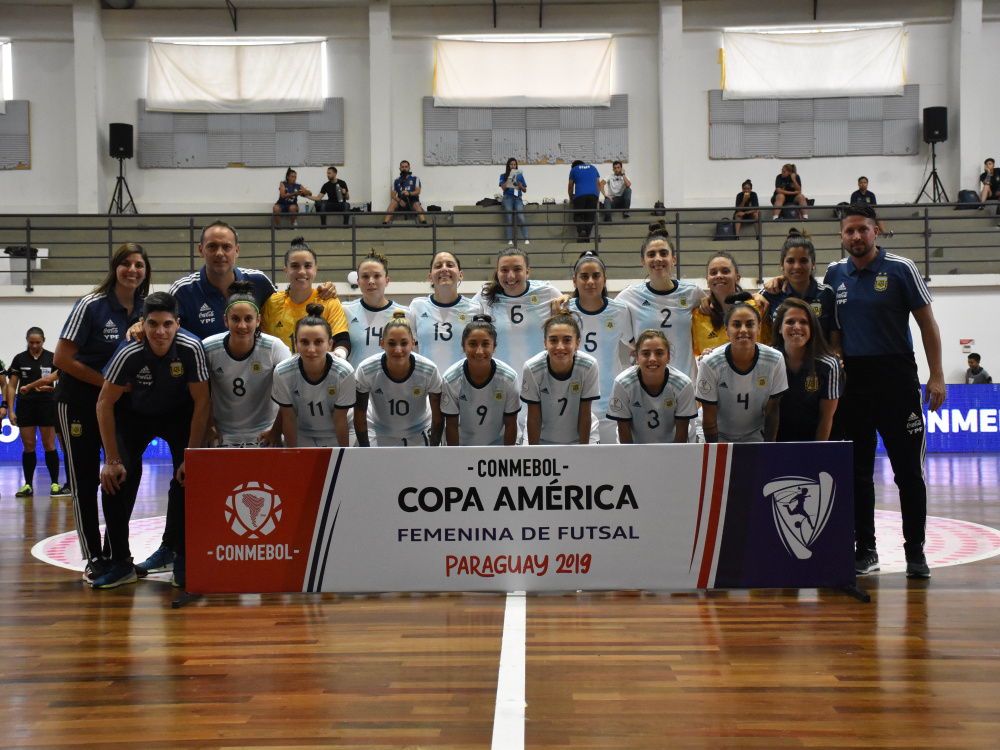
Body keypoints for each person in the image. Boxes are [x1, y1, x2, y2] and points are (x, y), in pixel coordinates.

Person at [825, 203, 946, 579]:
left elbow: (927, 324)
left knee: (908, 473)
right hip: (854, 384)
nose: (856, 236)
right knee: (858, 473)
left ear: (876, 231)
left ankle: (916, 552)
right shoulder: (833, 274)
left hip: (897, 380)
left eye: (862, 229)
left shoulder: (901, 268)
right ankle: (866, 550)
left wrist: (937, 375)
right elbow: (832, 328)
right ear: (841, 236)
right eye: (849, 231)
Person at [95, 292, 210, 589]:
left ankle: (181, 557)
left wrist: (192, 456)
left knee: (189, 478)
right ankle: (121, 563)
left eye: (167, 324)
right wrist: (111, 460)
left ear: (178, 324)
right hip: (134, 416)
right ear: (142, 324)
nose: (160, 332)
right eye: (153, 324)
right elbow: (104, 403)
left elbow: (202, 402)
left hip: (178, 415)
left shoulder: (191, 347)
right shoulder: (129, 351)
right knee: (113, 479)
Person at [53, 242, 149, 584]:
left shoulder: (146, 309)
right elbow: (61, 359)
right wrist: (109, 382)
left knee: (122, 474)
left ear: (146, 271)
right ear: (114, 268)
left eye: (139, 264)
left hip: (117, 405)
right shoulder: (91, 305)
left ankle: (115, 553)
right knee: (84, 480)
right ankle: (93, 556)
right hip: (76, 401)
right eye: (126, 263)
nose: (132, 270)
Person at [169, 221, 335, 341]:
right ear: (201, 250)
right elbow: (165, 331)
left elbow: (286, 305)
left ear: (237, 250)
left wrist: (321, 289)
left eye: (226, 247)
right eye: (212, 246)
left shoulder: (258, 281)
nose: (220, 253)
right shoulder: (182, 291)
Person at [203, 281, 291, 448]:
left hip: (266, 430)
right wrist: (208, 426)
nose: (242, 326)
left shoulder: (274, 347)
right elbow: (200, 396)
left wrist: (276, 430)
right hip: (222, 433)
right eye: (235, 319)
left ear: (258, 320)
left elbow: (291, 392)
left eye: (248, 319)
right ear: (225, 320)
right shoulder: (209, 348)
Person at [615, 222, 705, 380]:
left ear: (673, 259)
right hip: (647, 382)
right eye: (651, 254)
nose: (658, 258)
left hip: (685, 381)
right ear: (643, 262)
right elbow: (603, 312)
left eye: (663, 253)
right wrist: (637, 346)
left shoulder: (692, 292)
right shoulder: (630, 295)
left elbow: (718, 310)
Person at [696, 297, 787, 443]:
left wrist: (769, 448)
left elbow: (772, 411)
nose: (743, 330)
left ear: (759, 328)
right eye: (736, 324)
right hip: (717, 433)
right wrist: (714, 451)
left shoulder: (775, 359)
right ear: (726, 329)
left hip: (754, 432)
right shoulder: (710, 363)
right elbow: (709, 418)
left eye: (750, 324)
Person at [567, 251, 633, 444]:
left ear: (604, 280)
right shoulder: (564, 311)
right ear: (574, 281)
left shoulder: (619, 311)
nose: (590, 282)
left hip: (609, 405)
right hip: (574, 404)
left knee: (610, 461)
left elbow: (634, 344)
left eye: (596, 276)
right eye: (584, 276)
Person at [272, 305, 357, 448]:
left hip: (339, 432)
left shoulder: (344, 372)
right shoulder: (282, 372)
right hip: (302, 433)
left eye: (318, 342)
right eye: (304, 342)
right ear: (296, 344)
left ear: (330, 344)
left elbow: (340, 420)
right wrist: (293, 455)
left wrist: (343, 455)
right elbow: (289, 418)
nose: (311, 350)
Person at [354, 311, 443, 447]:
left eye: (404, 343)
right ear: (382, 343)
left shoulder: (428, 370)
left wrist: (434, 449)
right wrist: (365, 451)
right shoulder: (366, 370)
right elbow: (359, 414)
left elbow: (438, 417)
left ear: (413, 343)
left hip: (420, 431)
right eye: (391, 343)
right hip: (379, 431)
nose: (398, 349)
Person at [261, 237, 350, 358]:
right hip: (281, 368)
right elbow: (264, 343)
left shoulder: (328, 301)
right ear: (286, 270)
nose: (302, 271)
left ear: (315, 270)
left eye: (307, 266)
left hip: (320, 368)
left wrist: (339, 355)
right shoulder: (272, 303)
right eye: (295, 266)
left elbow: (342, 339)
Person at [521, 309, 600, 445]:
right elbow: (534, 416)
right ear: (545, 343)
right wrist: (535, 452)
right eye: (553, 340)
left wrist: (584, 450)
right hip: (542, 437)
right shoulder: (532, 368)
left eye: (567, 340)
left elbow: (585, 413)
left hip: (582, 437)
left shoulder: (588, 365)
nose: (560, 347)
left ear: (577, 344)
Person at [606, 329, 697, 444]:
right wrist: (632, 455)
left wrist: (673, 455)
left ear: (668, 357)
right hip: (634, 448)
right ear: (637, 358)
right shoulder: (623, 384)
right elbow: (624, 432)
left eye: (659, 353)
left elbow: (681, 435)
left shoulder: (683, 385)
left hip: (671, 447)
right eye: (645, 354)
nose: (652, 359)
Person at [440, 315, 520, 447]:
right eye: (472, 344)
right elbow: (451, 426)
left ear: (494, 347)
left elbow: (511, 423)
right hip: (464, 447)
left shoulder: (508, 378)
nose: (479, 351)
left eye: (486, 344)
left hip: (499, 446)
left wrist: (505, 456)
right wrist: (456, 456)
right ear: (463, 347)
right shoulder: (451, 379)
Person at [770, 299, 843, 442]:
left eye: (804, 322)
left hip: (814, 438)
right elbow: (768, 413)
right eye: (790, 322)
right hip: (775, 438)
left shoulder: (829, 364)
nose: (797, 327)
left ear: (812, 328)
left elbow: (826, 418)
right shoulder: (768, 360)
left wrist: (817, 451)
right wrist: (770, 448)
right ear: (779, 328)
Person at [7, 328, 66, 498]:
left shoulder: (52, 358)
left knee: (49, 445)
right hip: (25, 406)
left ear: (44, 340)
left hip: (47, 405)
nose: (34, 345)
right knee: (29, 445)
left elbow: (61, 383)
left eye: (37, 342)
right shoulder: (19, 359)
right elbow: (12, 386)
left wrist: (49, 389)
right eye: (31, 342)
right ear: (27, 340)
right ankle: (28, 484)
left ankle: (55, 483)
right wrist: (11, 410)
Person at [760, 229, 839, 346]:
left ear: (813, 264)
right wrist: (756, 296)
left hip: (818, 357)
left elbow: (835, 340)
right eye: (790, 261)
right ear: (782, 264)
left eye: (803, 261)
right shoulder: (771, 292)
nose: (797, 266)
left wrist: (836, 354)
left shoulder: (826, 293)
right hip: (781, 357)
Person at [410, 252, 483, 377]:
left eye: (450, 265)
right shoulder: (417, 306)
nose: (444, 269)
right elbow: (412, 349)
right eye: (438, 266)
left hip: (461, 382)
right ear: (430, 277)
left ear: (460, 275)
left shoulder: (475, 309)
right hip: (427, 382)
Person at [342, 249, 415, 369]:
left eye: (377, 276)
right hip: (357, 379)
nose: (371, 281)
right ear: (358, 282)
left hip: (392, 379)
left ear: (387, 281)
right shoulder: (345, 310)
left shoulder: (405, 313)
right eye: (365, 276)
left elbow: (412, 353)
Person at [692, 251, 770, 360]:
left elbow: (769, 346)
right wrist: (700, 358)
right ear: (707, 281)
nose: (719, 276)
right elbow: (693, 355)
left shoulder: (757, 308)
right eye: (713, 273)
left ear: (737, 278)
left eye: (725, 271)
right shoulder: (697, 316)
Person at [382, 159, 426, 225]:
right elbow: (393, 195)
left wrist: (409, 193)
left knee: (416, 204)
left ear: (409, 168)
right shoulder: (396, 180)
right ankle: (385, 223)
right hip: (401, 202)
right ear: (400, 168)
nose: (404, 168)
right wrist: (399, 200)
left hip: (412, 201)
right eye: (402, 167)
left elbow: (418, 191)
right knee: (393, 202)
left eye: (406, 167)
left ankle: (423, 222)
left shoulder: (415, 178)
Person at [568, 159, 601, 242]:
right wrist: (597, 197)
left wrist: (571, 199)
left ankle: (581, 230)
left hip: (580, 196)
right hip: (593, 195)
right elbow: (598, 184)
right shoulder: (593, 168)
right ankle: (586, 238)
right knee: (590, 217)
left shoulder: (574, 170)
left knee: (578, 215)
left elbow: (570, 186)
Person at [500, 157, 529, 245]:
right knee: (508, 217)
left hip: (517, 198)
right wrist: (509, 178)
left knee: (521, 217)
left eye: (514, 164)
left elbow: (525, 190)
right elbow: (503, 187)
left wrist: (520, 185)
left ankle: (526, 238)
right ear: (508, 166)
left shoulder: (520, 176)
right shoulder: (503, 175)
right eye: (511, 164)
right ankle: (509, 239)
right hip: (508, 197)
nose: (513, 166)